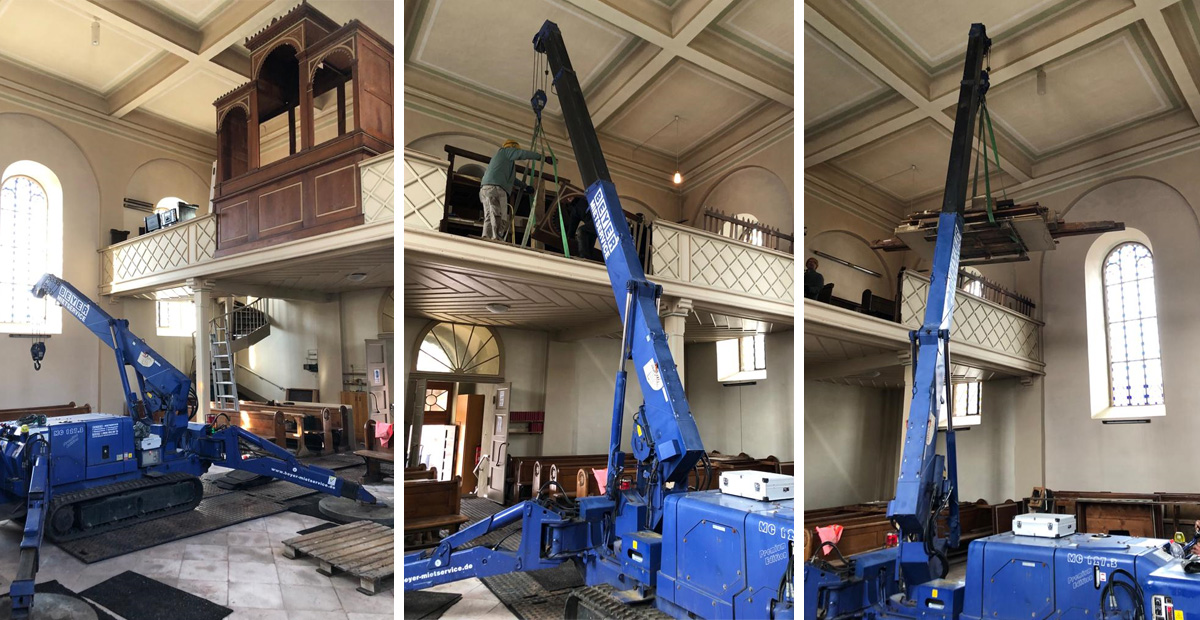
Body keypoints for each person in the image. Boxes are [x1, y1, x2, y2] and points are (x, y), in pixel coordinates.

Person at [479, 140, 544, 241]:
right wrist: (541, 157)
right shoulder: (505, 152)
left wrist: (525, 186)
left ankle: (486, 236)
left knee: (489, 214)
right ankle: (496, 238)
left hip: (486, 189)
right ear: (512, 148)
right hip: (496, 188)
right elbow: (522, 154)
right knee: (499, 215)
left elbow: (512, 179)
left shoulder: (503, 161)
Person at [562, 195, 599, 260]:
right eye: (567, 198)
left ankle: (584, 257)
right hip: (593, 226)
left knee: (581, 230)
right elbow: (572, 227)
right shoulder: (574, 211)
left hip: (598, 219)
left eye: (570, 196)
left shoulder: (584, 198)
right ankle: (588, 259)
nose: (569, 198)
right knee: (588, 236)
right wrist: (567, 239)